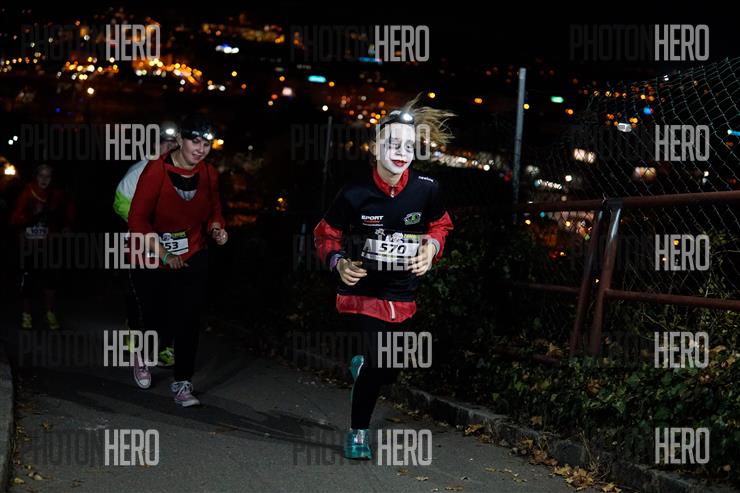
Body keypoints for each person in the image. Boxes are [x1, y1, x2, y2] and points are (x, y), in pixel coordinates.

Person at [313, 97, 455, 459]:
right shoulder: (354, 192)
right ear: (376, 147)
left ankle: (363, 369)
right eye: (393, 144)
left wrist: (431, 249)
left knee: (389, 369)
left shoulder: (427, 189)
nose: (401, 152)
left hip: (402, 294)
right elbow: (325, 234)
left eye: (408, 146)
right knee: (379, 361)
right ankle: (358, 433)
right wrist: (338, 263)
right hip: (362, 293)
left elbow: (441, 225)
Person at [128, 114, 228, 406]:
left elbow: (215, 210)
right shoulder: (156, 170)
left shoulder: (209, 173)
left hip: (193, 251)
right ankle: (143, 355)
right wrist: (164, 253)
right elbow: (137, 219)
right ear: (180, 140)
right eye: (195, 142)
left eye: (206, 144)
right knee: (155, 316)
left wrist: (217, 229)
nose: (201, 149)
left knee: (188, 317)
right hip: (151, 254)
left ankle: (183, 382)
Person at [113, 121, 179, 377]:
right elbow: (119, 202)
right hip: (141, 244)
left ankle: (164, 346)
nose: (169, 148)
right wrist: (144, 221)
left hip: (169, 245)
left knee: (170, 296)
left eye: (173, 144)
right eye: (165, 143)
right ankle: (134, 333)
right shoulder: (140, 169)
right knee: (139, 295)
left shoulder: (181, 172)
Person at [11, 164, 74, 330]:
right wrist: (31, 215)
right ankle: (26, 315)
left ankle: (50, 313)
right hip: (29, 246)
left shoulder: (56, 194)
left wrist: (66, 226)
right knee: (28, 282)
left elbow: (68, 210)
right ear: (35, 176)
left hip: (48, 246)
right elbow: (15, 218)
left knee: (50, 282)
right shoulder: (26, 192)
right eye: (41, 175)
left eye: (48, 176)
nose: (44, 179)